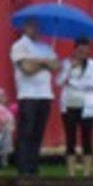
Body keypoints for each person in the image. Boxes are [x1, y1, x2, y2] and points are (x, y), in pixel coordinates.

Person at [9, 20, 58, 176]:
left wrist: (39, 62)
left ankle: (33, 166)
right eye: (32, 26)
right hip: (28, 94)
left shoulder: (46, 47)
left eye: (37, 26)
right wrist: (44, 62)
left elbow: (57, 66)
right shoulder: (19, 46)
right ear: (25, 27)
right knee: (26, 132)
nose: (36, 29)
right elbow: (26, 69)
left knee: (38, 133)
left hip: (45, 94)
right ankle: (23, 167)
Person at [55, 40, 93, 177]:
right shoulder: (67, 63)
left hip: (86, 106)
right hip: (69, 105)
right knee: (70, 139)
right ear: (75, 50)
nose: (83, 53)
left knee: (87, 138)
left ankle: (87, 173)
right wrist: (69, 69)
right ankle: (71, 173)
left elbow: (92, 83)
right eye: (80, 50)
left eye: (85, 51)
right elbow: (58, 81)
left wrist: (72, 83)